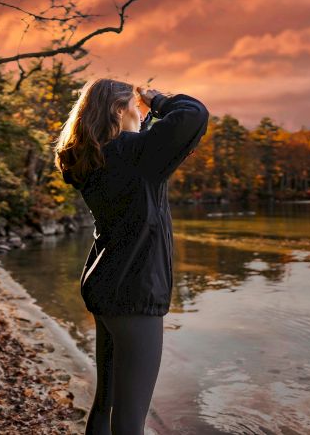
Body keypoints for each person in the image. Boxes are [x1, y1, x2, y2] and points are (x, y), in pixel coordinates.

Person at [54, 78, 209, 434]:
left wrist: (149, 126)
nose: (141, 112)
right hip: (134, 292)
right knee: (130, 417)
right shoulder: (134, 156)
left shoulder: (91, 158)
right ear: (117, 110)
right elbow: (194, 113)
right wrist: (159, 101)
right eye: (135, 106)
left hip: (104, 284)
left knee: (105, 401)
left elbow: (136, 162)